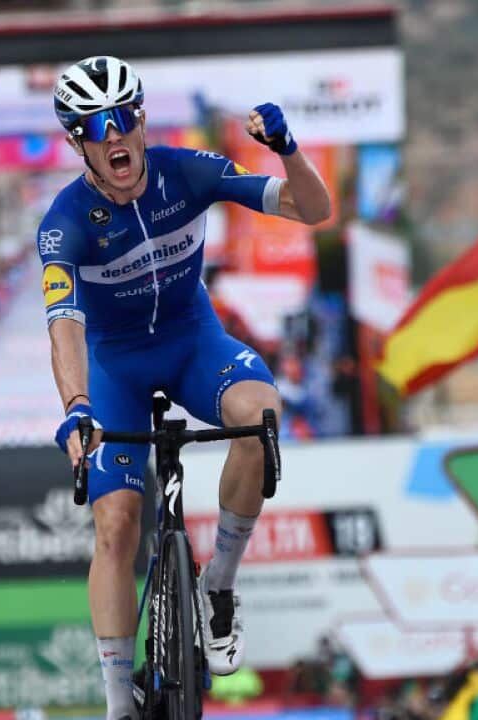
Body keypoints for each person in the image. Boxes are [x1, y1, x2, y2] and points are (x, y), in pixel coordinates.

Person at [38, 56, 331, 720]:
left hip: (192, 341)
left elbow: (314, 209)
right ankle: (118, 701)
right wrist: (77, 409)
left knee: (261, 418)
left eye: (125, 118)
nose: (115, 135)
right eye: (95, 126)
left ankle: (218, 589)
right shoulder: (65, 222)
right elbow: (63, 326)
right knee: (115, 525)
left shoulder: (186, 172)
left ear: (141, 120)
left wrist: (289, 151)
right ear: (77, 141)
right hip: (116, 367)